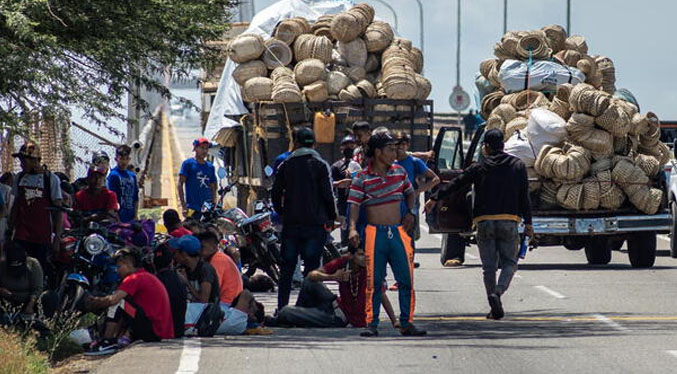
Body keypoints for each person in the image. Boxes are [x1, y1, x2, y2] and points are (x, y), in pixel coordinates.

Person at [424, 128, 533, 320]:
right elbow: (524, 197)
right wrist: (529, 223)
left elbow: (456, 183)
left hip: (484, 223)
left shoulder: (479, 167)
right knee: (510, 263)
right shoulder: (517, 166)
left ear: (487, 147)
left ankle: (493, 303)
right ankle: (498, 293)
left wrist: (434, 197)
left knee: (488, 267)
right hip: (509, 222)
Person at [347, 132, 426, 337]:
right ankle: (371, 324)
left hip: (399, 233)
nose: (395, 153)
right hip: (374, 234)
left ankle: (407, 322)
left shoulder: (399, 172)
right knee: (374, 282)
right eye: (390, 149)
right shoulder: (362, 178)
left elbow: (410, 192)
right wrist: (353, 228)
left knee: (406, 280)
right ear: (378, 152)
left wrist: (411, 212)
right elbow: (354, 205)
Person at [272, 127, 337, 311]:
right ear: (313, 144)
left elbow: (275, 194)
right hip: (315, 226)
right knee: (311, 270)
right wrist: (331, 217)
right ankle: (305, 307)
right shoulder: (320, 164)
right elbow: (328, 194)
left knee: (286, 269)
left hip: (292, 226)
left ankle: (282, 308)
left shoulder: (286, 165)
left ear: (296, 143)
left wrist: (282, 212)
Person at [272, 246, 399, 329]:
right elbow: (312, 274)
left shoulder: (371, 271)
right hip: (336, 304)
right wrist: (333, 277)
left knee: (286, 311)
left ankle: (293, 316)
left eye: (367, 254)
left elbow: (382, 296)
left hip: (341, 318)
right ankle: (298, 315)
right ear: (351, 255)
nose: (365, 258)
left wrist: (394, 321)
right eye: (361, 254)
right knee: (309, 281)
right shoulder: (343, 263)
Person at [85, 247, 174, 355]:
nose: (117, 271)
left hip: (153, 330)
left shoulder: (134, 278)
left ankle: (107, 341)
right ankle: (113, 338)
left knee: (119, 302)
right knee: (124, 304)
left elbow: (113, 300)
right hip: (160, 330)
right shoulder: (146, 276)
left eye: (119, 266)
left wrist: (94, 301)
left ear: (128, 263)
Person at [8, 142, 63, 286]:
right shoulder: (19, 178)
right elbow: (15, 207)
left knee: (40, 271)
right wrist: (10, 230)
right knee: (19, 270)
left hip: (42, 237)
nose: (21, 164)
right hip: (22, 235)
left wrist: (57, 239)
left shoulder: (50, 179)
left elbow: (58, 213)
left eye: (24, 160)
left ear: (35, 160)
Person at [197, 231, 242, 304]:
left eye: (203, 247)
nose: (199, 251)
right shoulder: (218, 257)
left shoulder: (217, 260)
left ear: (214, 247)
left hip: (226, 303)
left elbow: (212, 288)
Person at [152, 244, 187, 338]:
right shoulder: (181, 280)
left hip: (159, 333)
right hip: (178, 330)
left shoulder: (152, 281)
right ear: (171, 262)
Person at [331, 135, 360, 246]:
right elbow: (329, 183)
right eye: (346, 145)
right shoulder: (336, 166)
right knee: (345, 235)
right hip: (344, 204)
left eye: (351, 145)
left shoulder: (359, 164)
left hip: (358, 202)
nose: (349, 148)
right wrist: (340, 183)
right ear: (341, 148)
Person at [178, 137, 217, 220]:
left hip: (207, 207)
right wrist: (183, 206)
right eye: (202, 148)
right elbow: (180, 184)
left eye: (206, 149)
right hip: (192, 207)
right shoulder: (188, 164)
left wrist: (214, 203)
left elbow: (213, 187)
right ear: (195, 148)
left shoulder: (210, 167)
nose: (205, 151)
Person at [0, 244, 43, 318]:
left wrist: (31, 305)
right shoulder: (2, 265)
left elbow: (37, 288)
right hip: (6, 301)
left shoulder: (33, 264)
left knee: (50, 297)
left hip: (28, 301)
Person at [107, 145, 139, 223]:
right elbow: (112, 199)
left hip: (131, 216)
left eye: (126, 159)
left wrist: (135, 215)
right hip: (118, 218)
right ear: (116, 159)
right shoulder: (113, 175)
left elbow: (135, 197)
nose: (124, 162)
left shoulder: (132, 176)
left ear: (129, 159)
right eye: (121, 159)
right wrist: (118, 220)